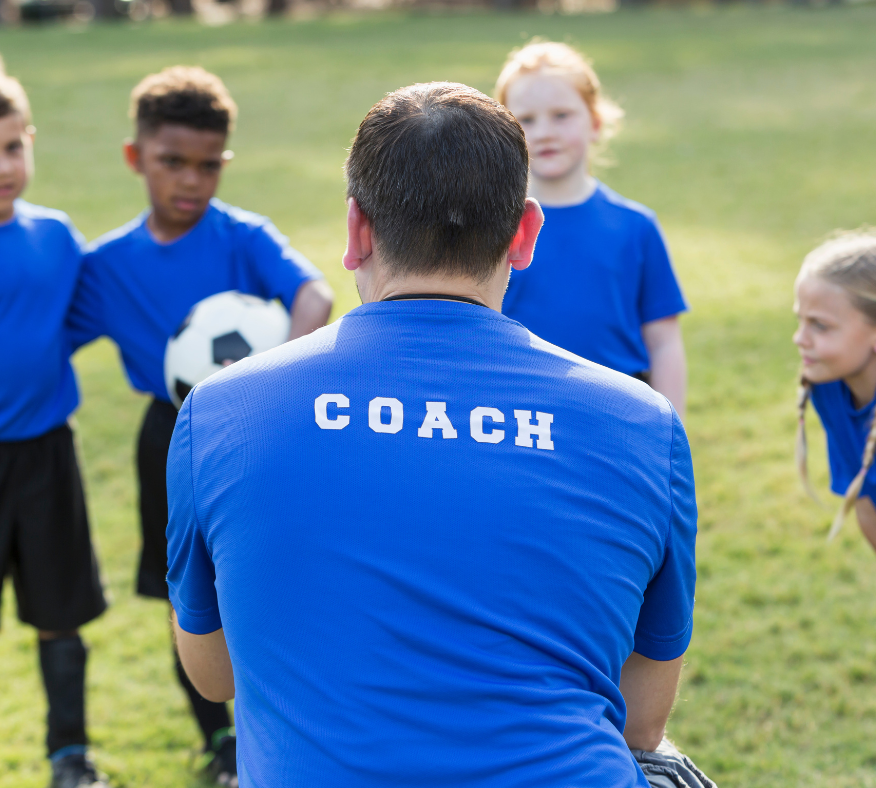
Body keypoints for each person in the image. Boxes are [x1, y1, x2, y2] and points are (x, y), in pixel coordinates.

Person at [167, 81, 698, 787]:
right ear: (527, 233)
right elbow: (640, 723)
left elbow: (213, 673)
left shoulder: (219, 410)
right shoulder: (642, 423)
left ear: (356, 230)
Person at [68, 65, 332, 786]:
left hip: (257, 433)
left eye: (209, 165)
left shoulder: (243, 237)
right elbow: (48, 336)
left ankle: (281, 728)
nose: (192, 181)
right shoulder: (106, 264)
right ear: (135, 158)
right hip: (170, 437)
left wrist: (273, 372)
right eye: (172, 163)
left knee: (266, 574)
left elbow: (314, 293)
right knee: (189, 594)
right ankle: (220, 746)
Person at [0, 58, 109, 788]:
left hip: (47, 454)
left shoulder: (56, 237)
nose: (2, 165)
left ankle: (69, 757)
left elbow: (78, 319)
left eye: (13, 146)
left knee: (60, 611)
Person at [495, 41, 688, 417]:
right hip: (518, 418)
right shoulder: (491, 226)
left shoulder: (635, 227)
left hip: (616, 417)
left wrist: (670, 433)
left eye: (562, 115)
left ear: (596, 123)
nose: (545, 132)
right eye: (527, 120)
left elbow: (664, 342)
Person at [795, 232, 876, 572]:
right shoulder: (829, 387)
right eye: (800, 320)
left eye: (819, 326)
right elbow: (866, 505)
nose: (799, 339)